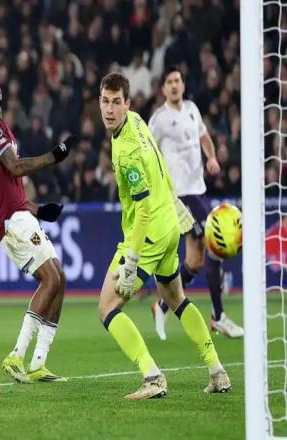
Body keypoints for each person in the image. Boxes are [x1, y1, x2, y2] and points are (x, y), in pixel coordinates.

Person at [98, 71, 231, 400]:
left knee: (107, 307)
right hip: (170, 224)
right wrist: (172, 198)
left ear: (127, 104)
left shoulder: (126, 151)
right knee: (176, 299)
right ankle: (217, 371)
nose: (109, 109)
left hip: (149, 233)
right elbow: (158, 158)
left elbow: (142, 209)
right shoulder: (137, 121)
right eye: (105, 101)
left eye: (116, 102)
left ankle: (153, 376)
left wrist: (131, 259)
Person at [0, 72, 78, 383]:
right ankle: (16, 356)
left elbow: (7, 186)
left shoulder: (1, 128)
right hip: (10, 220)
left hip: (19, 214)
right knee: (50, 278)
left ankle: (38, 363)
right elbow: (15, 167)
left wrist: (39, 209)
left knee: (59, 278)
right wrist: (55, 156)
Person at [148, 66, 244, 340]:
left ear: (182, 84)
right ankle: (218, 316)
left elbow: (204, 137)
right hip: (179, 195)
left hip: (198, 191)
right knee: (215, 243)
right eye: (169, 81)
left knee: (195, 260)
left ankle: (162, 305)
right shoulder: (159, 119)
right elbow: (148, 151)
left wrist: (211, 157)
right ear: (163, 88)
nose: (174, 85)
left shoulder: (191, 109)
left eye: (177, 80)